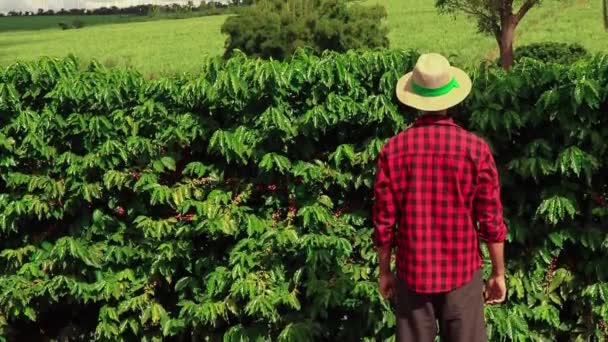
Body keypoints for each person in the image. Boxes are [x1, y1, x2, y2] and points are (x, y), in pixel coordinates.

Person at [372, 53, 508, 342]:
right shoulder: (475, 149)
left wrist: (385, 271)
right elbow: (491, 220)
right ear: (452, 98)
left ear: (414, 100)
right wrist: (498, 272)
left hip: (412, 275)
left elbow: (384, 222)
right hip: (462, 275)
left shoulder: (393, 150)